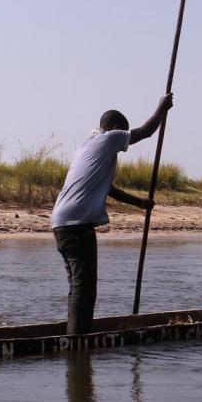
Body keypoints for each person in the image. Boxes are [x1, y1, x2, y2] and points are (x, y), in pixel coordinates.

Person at [51, 93, 174, 335]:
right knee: (84, 289)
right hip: (77, 224)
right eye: (123, 134)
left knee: (77, 288)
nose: (123, 146)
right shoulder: (109, 138)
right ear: (116, 128)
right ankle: (77, 343)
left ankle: (75, 337)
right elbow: (146, 132)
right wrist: (162, 108)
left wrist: (140, 203)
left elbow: (109, 189)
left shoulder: (86, 145)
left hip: (61, 223)